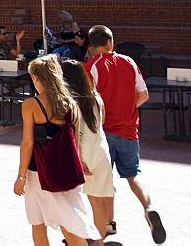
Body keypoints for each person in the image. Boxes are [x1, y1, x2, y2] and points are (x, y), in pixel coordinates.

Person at [84, 25, 166, 244]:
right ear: (111, 41)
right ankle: (148, 207)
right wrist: (130, 109)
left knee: (104, 181)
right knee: (133, 173)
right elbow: (144, 94)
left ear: (92, 45)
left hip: (105, 131)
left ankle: (107, 224)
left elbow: (88, 102)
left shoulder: (91, 67)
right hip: (130, 128)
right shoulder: (129, 62)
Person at [13, 56, 100, 246]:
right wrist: (80, 162)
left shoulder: (31, 105)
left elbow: (28, 143)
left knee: (38, 223)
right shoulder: (71, 104)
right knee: (69, 223)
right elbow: (74, 141)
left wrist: (21, 176)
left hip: (38, 172)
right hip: (66, 170)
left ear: (36, 77)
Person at [61, 58, 114, 243]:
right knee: (98, 200)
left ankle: (75, 238)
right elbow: (102, 122)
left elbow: (73, 134)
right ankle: (99, 242)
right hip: (101, 150)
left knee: (70, 201)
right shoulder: (95, 97)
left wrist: (79, 159)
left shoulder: (68, 102)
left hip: (81, 154)